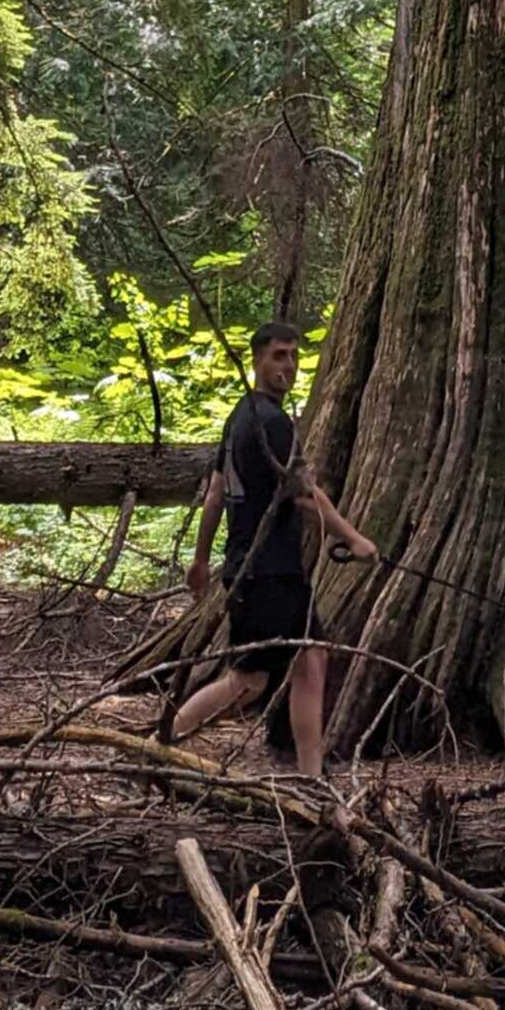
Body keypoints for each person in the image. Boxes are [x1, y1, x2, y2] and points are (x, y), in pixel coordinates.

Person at [174, 318, 376, 781]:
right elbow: (305, 496)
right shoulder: (272, 422)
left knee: (309, 658)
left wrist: (203, 561)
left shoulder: (240, 416)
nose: (289, 365)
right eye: (278, 356)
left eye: (293, 355)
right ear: (257, 360)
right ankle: (160, 745)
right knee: (248, 680)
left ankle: (310, 775)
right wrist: (353, 538)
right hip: (268, 572)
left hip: (257, 568)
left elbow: (217, 492)